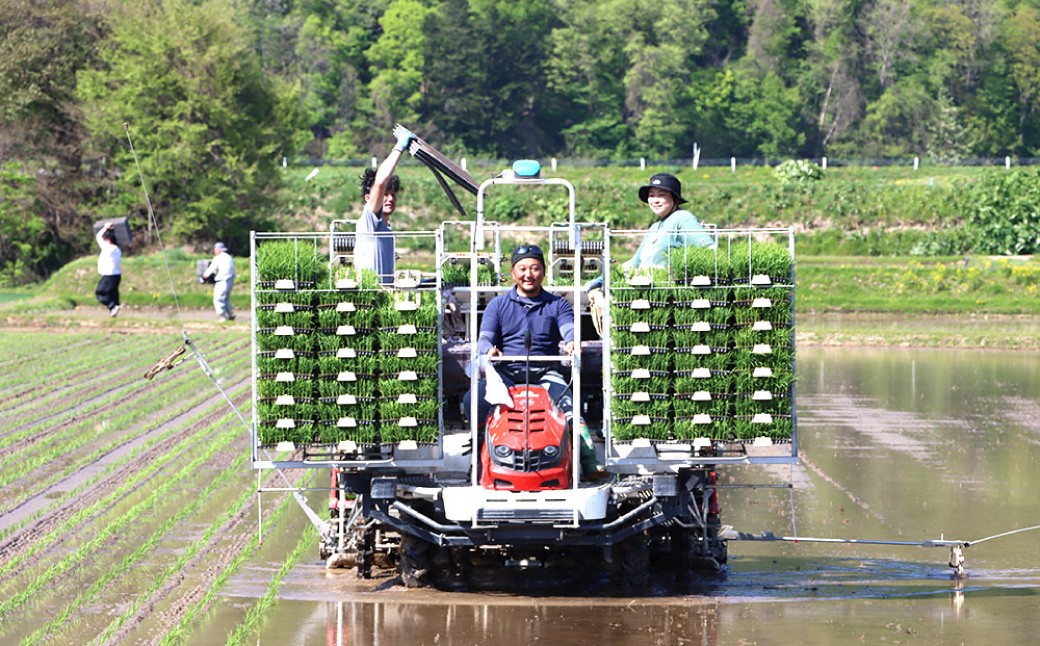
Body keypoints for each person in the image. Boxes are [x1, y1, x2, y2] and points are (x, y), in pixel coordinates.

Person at [462, 244, 602, 479]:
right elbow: (484, 338)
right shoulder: (498, 305)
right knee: (474, 399)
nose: (529, 274)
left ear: (543, 271)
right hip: (507, 373)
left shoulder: (558, 305)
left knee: (568, 407)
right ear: (513, 272)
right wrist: (489, 350)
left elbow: (569, 330)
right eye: (523, 268)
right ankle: (479, 458)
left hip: (546, 372)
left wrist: (571, 343)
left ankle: (589, 462)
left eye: (535, 268)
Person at [586, 173, 714, 331]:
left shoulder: (683, 218)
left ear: (675, 198)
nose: (655, 200)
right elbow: (634, 263)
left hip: (671, 298)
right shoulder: (655, 227)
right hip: (648, 297)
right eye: (651, 195)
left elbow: (709, 249)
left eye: (662, 195)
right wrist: (605, 277)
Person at [354, 127, 416, 284]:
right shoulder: (370, 219)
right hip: (369, 296)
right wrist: (399, 147)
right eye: (385, 195)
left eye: (393, 195)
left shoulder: (386, 228)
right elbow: (380, 182)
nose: (390, 199)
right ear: (368, 198)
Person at [201, 242, 236, 320]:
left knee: (218, 299)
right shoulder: (229, 257)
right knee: (225, 298)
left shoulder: (218, 258)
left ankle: (223, 316)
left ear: (219, 249)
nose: (214, 251)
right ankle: (230, 314)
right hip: (230, 281)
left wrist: (204, 277)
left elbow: (211, 269)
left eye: (215, 249)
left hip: (222, 281)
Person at [95, 222, 122, 317]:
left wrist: (105, 228)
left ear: (108, 239)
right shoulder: (117, 249)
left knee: (100, 293)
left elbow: (98, 236)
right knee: (113, 294)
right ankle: (114, 310)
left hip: (109, 276)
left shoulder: (107, 248)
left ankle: (112, 306)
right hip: (117, 275)